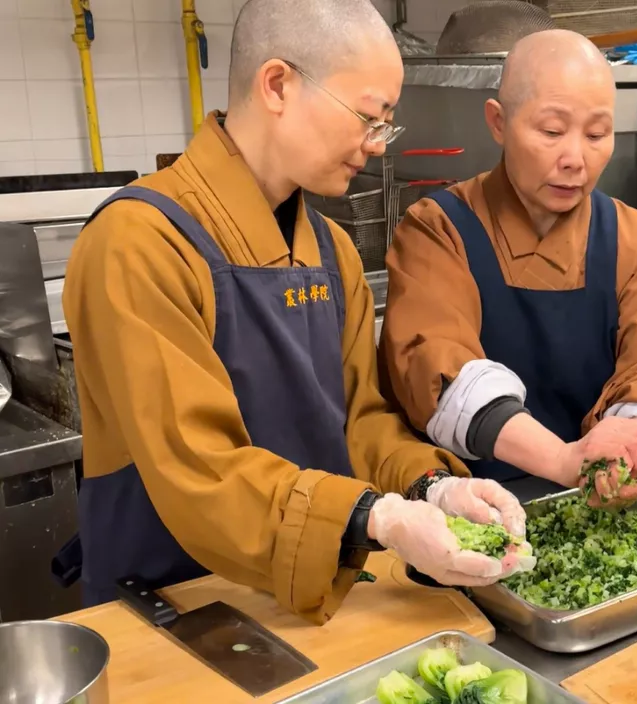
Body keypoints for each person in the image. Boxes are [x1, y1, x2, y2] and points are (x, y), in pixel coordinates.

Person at [53, 0, 527, 623]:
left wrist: (432, 486)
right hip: (173, 607)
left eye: (387, 124)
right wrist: (374, 516)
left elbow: (361, 421)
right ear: (277, 84)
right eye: (368, 116)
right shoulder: (138, 242)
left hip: (313, 593)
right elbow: (201, 466)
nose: (377, 147)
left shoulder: (332, 253)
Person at [380, 29, 637, 506]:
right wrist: (563, 459)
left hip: (597, 509)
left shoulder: (634, 240)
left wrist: (636, 440)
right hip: (469, 513)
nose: (576, 159)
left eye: (597, 134)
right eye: (551, 132)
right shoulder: (438, 229)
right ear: (498, 122)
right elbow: (435, 365)